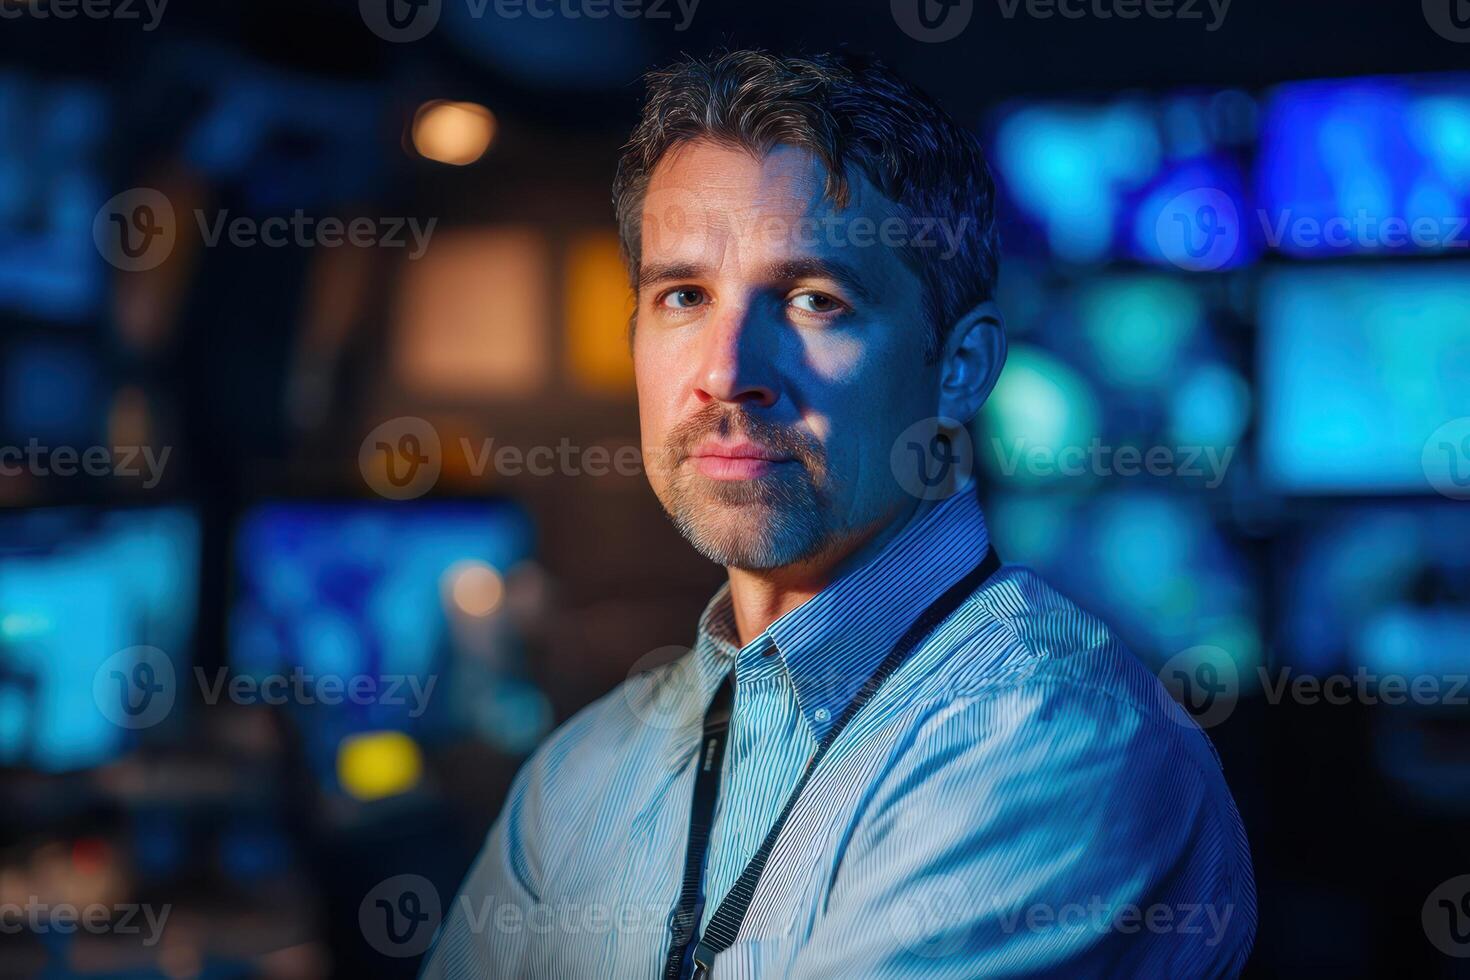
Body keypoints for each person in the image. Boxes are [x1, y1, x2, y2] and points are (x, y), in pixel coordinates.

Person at [422, 48, 1255, 978]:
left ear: (961, 368)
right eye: (684, 296)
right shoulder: (579, 776)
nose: (726, 372)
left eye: (815, 300)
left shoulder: (1054, 735)